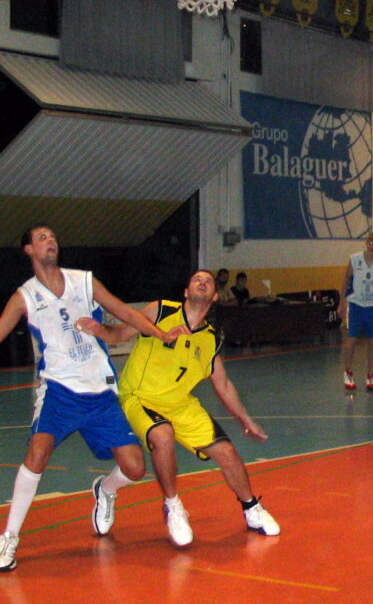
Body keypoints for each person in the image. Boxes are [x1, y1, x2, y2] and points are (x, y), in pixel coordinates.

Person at [0, 225, 184, 572]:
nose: (50, 241)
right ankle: (8, 537)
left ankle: (105, 490)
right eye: (41, 238)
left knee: (134, 467)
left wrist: (159, 334)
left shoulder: (84, 281)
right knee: (37, 453)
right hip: (59, 391)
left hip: (99, 391)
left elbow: (125, 312)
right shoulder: (24, 296)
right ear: (27, 250)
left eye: (53, 236)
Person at [79, 269, 280, 547]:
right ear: (186, 291)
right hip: (140, 396)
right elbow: (120, 334)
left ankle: (251, 508)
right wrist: (97, 330)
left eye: (208, 281)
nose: (202, 282)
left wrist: (245, 418)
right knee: (163, 435)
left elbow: (222, 384)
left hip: (180, 404)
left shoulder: (210, 339)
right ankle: (172, 505)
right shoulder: (160, 311)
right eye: (196, 279)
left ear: (215, 295)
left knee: (226, 451)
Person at [338, 232, 373, 391]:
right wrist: (341, 303)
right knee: (352, 339)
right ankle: (348, 372)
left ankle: (370, 375)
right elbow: (346, 281)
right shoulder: (355, 259)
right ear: (366, 243)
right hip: (355, 305)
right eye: (371, 243)